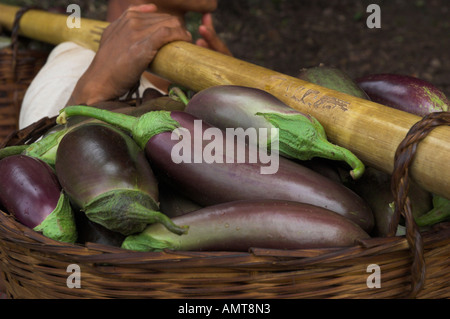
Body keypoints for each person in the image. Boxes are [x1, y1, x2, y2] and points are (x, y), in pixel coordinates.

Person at [18, 0, 231, 129]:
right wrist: (91, 93)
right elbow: (29, 175)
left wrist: (231, 102)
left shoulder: (188, 85)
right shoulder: (75, 66)